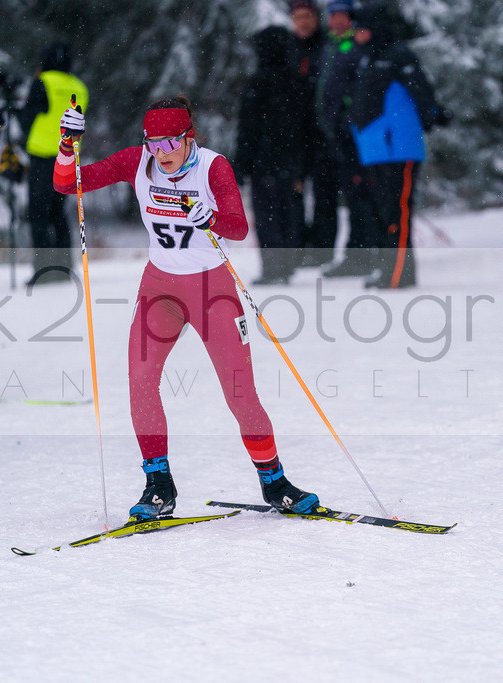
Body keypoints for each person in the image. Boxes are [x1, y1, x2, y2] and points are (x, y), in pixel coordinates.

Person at [52, 96, 320, 518]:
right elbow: (69, 184)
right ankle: (159, 485)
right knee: (140, 379)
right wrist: (67, 144)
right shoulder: (138, 161)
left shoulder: (214, 167)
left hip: (212, 290)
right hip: (159, 289)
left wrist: (210, 218)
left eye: (170, 143)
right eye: (153, 143)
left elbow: (239, 225)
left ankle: (275, 482)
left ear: (188, 137)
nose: (161, 153)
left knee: (239, 392)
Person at [348, 4, 451, 289]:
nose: (357, 33)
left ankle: (398, 274)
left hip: (398, 147)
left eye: (362, 27)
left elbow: (421, 88)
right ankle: (388, 269)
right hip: (375, 149)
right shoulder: (365, 58)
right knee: (384, 212)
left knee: (398, 211)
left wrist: (434, 114)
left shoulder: (397, 55)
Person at [236, 26, 310, 285]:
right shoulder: (296, 82)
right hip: (291, 160)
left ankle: (273, 267)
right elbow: (305, 126)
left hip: (263, 162)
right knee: (289, 211)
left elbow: (247, 128)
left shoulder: (257, 84)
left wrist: (241, 164)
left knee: (268, 214)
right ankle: (287, 264)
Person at [317, 0, 380, 279]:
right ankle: (359, 251)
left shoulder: (357, 46)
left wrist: (348, 118)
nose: (338, 21)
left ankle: (364, 253)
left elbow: (358, 88)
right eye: (334, 16)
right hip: (332, 132)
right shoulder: (328, 46)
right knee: (350, 194)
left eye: (343, 16)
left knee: (360, 193)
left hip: (352, 132)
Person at [18, 41, 88, 287]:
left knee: (38, 213)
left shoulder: (43, 81)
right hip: (67, 157)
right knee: (58, 212)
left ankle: (43, 268)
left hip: (41, 155)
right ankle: (64, 266)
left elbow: (27, 118)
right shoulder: (79, 87)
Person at [289, 0, 340, 269]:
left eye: (307, 16)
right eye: (298, 17)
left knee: (325, 192)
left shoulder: (327, 46)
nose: (303, 22)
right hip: (295, 133)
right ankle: (299, 246)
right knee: (294, 191)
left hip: (322, 132)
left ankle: (322, 249)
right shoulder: (288, 48)